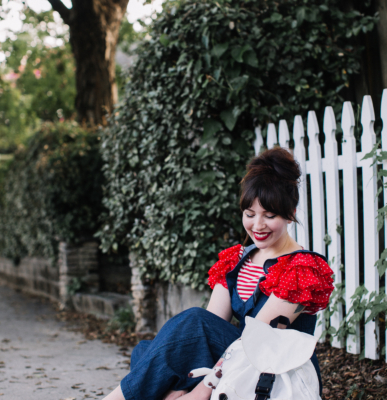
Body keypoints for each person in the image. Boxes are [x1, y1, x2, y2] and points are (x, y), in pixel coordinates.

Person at [103, 147, 334, 400]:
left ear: (291, 214)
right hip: (237, 361)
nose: (258, 226)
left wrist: (200, 391)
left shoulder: (301, 268)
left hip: (276, 371)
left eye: (269, 215)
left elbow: (256, 343)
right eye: (250, 214)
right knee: (148, 352)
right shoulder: (237, 260)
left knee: (184, 333)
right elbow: (207, 332)